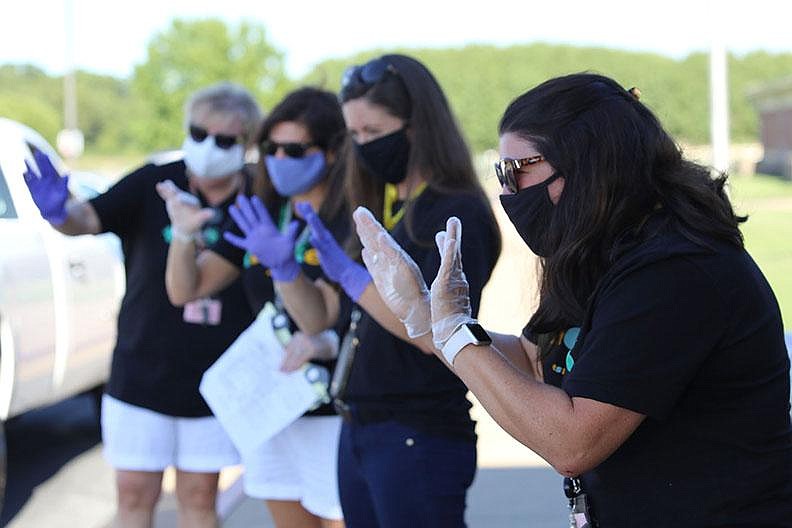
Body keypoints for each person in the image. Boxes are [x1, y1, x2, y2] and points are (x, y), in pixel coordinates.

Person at [353, 72, 792, 527]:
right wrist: (430, 319)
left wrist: (454, 334)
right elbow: (535, 361)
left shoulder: (673, 270)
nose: (507, 191)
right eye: (500, 172)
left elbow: (571, 443)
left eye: (517, 169)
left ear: (588, 162)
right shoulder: (599, 251)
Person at [235, 54, 501, 527]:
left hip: (416, 431)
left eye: (374, 133)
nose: (364, 147)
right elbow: (320, 316)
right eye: (355, 136)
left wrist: (354, 278)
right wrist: (285, 271)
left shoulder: (454, 214)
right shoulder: (388, 207)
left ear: (419, 126)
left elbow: (436, 336)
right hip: (361, 424)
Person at [23, 82, 262, 528]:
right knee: (134, 495)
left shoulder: (257, 197)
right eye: (198, 132)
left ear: (247, 144)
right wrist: (60, 213)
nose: (209, 147)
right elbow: (87, 220)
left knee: (198, 498)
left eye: (226, 140)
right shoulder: (156, 181)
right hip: (142, 371)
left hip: (217, 381)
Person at [157, 86, 348, 528]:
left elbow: (320, 317)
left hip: (329, 411)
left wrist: (285, 270)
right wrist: (183, 236)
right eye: (270, 148)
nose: (279, 159)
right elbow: (188, 289)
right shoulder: (263, 211)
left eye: (294, 149)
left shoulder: (347, 216)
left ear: (332, 152)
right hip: (272, 405)